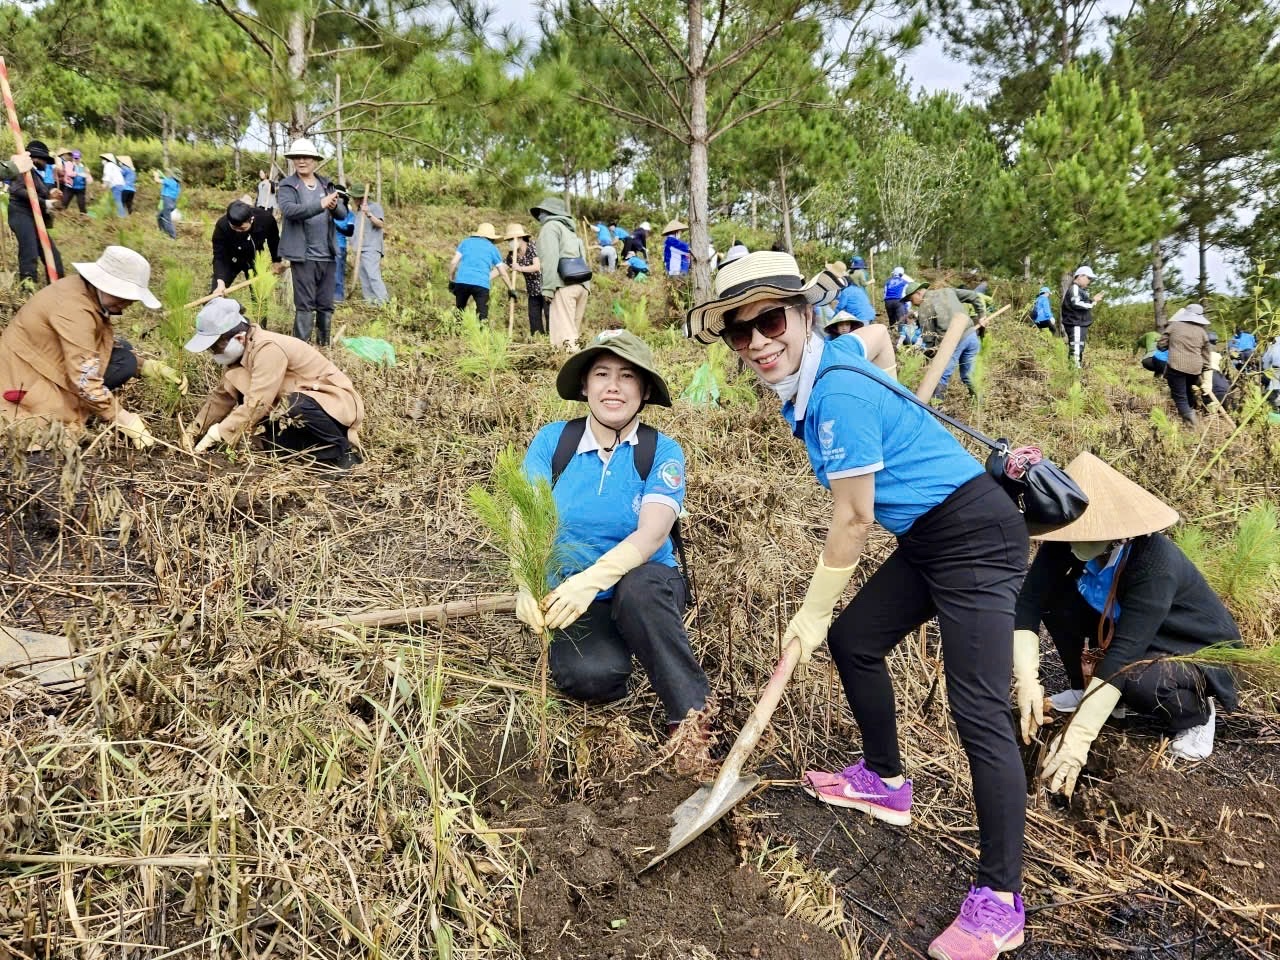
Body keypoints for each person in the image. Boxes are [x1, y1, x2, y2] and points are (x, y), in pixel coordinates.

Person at [686, 251, 1030, 960]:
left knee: (978, 711)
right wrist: (891, 384)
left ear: (803, 316)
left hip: (973, 531)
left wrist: (810, 609)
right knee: (856, 641)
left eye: (770, 321)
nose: (757, 342)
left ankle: (1000, 900)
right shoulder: (836, 356)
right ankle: (885, 781)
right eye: (738, 333)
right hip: (933, 532)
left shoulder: (836, 395)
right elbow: (874, 338)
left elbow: (853, 518)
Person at [516, 330, 711, 765]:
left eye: (627, 376)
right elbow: (523, 520)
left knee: (638, 592)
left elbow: (653, 533)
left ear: (643, 390)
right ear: (584, 386)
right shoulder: (554, 442)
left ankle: (691, 721)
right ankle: (622, 640)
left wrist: (592, 581)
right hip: (571, 597)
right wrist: (523, 582)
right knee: (591, 678)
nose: (613, 386)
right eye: (601, 374)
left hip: (644, 581)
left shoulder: (661, 451)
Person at [1014, 453, 1239, 778]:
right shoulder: (1068, 540)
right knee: (1057, 601)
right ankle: (1086, 690)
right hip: (1127, 628)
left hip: (1189, 646)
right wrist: (1027, 681)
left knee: (1136, 679)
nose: (1072, 540)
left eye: (1085, 533)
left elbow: (1124, 654)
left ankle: (1196, 715)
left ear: (1116, 531)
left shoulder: (1155, 564)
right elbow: (1029, 602)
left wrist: (1079, 736)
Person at [0, 246, 184, 448]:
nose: (128, 303)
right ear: (102, 283)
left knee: (125, 351)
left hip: (42, 362)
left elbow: (99, 344)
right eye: (121, 294)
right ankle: (72, 406)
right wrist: (121, 417)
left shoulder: (84, 292)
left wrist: (147, 366)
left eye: (131, 297)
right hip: (24, 381)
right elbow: (84, 377)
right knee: (124, 363)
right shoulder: (73, 309)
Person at [184, 297, 364, 468]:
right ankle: (321, 458)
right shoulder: (238, 358)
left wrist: (220, 432)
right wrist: (194, 430)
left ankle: (344, 453)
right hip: (299, 410)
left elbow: (259, 402)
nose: (213, 353)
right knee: (270, 443)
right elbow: (222, 398)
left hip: (334, 406)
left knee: (294, 404)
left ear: (239, 338)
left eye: (215, 347)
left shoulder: (268, 348)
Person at [277, 138, 348, 345]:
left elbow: (342, 214)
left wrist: (333, 205)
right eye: (297, 157)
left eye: (306, 157)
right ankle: (301, 349)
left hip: (327, 254)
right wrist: (321, 203)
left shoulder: (326, 184)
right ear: (292, 160)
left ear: (314, 160)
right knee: (305, 304)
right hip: (303, 255)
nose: (301, 161)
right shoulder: (288, 185)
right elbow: (290, 210)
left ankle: (324, 347)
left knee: (326, 303)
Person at [903, 280, 987, 400]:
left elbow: (929, 337)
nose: (912, 304)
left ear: (918, 293)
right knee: (968, 375)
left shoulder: (924, 307)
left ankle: (936, 410)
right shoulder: (947, 291)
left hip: (953, 341)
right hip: (971, 336)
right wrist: (982, 315)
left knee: (940, 375)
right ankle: (980, 403)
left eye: (911, 300)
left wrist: (931, 355)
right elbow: (974, 296)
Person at [532, 197, 591, 350]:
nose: (539, 216)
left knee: (564, 340)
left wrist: (548, 288)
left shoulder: (550, 227)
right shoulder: (571, 232)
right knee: (573, 335)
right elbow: (583, 259)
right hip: (582, 286)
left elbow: (549, 259)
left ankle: (569, 371)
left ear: (548, 212)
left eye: (541, 212)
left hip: (564, 285)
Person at [7, 140, 64, 287]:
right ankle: (28, 289)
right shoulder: (23, 169)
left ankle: (59, 287)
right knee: (29, 252)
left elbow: (41, 192)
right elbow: (17, 190)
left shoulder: (36, 174)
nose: (46, 164)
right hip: (20, 214)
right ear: (36, 158)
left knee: (53, 255)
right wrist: (46, 203)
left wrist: (52, 194)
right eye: (44, 160)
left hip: (35, 216)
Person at [210, 199, 284, 299]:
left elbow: (274, 240)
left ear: (251, 219)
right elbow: (219, 255)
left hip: (255, 258)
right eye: (234, 228)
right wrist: (220, 280)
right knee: (216, 294)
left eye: (242, 229)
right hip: (229, 259)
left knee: (259, 297)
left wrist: (277, 260)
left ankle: (260, 315)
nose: (238, 231)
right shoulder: (222, 225)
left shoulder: (266, 219)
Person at [1156, 303, 1210, 425]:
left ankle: (1192, 422)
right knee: (1187, 391)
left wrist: (1168, 346)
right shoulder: (1202, 332)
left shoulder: (1174, 326)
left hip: (1177, 366)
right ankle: (1190, 417)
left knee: (1179, 396)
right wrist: (1205, 368)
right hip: (1195, 369)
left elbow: (1161, 345)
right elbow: (1206, 355)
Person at [448, 222, 513, 322]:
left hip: (462, 281)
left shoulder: (466, 242)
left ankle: (456, 334)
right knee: (482, 315)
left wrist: (452, 279)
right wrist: (510, 289)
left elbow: (453, 262)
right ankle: (481, 334)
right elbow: (503, 272)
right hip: (481, 284)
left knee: (459, 311)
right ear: (491, 238)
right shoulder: (493, 248)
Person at [345, 185, 389, 305]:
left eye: (355, 198)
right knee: (364, 278)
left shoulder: (374, 207)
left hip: (371, 248)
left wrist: (369, 213)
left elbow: (380, 223)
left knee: (373, 275)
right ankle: (371, 303)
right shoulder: (358, 212)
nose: (353, 200)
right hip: (360, 249)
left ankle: (383, 302)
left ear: (361, 198)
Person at [503, 223, 544, 335]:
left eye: (512, 239)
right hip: (532, 292)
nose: (510, 242)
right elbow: (501, 269)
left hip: (545, 289)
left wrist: (520, 268)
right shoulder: (512, 255)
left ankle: (554, 344)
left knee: (550, 316)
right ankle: (538, 341)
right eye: (509, 240)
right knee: (534, 318)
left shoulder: (532, 246)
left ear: (520, 238)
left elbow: (536, 267)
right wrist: (485, 277)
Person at [1061, 266, 1103, 368]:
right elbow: (1076, 303)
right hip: (1076, 324)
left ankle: (1075, 373)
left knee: (1078, 347)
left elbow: (1082, 303)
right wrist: (1093, 302)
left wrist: (1093, 300)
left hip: (1079, 324)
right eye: (1088, 278)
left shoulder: (1079, 290)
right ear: (1080, 276)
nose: (1089, 281)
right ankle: (1074, 374)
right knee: (1076, 348)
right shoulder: (1074, 288)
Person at [831, 261, 876, 325]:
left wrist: (832, 320)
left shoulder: (846, 291)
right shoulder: (857, 289)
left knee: (859, 334)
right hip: (871, 315)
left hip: (861, 318)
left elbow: (840, 307)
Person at [333, 201, 356, 302]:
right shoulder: (329, 211)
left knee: (338, 272)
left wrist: (337, 227)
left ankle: (338, 297)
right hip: (325, 246)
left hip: (339, 246)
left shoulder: (349, 215)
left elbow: (350, 232)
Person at [154, 168, 182, 239]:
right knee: (159, 216)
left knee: (167, 220)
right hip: (172, 203)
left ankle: (173, 236)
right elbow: (166, 181)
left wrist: (156, 175)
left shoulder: (170, 181)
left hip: (167, 202)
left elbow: (157, 180)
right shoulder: (177, 185)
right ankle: (162, 231)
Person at [101, 153, 125, 217]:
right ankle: (119, 216)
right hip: (121, 185)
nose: (102, 161)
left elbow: (107, 176)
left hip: (116, 186)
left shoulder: (108, 165)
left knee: (117, 201)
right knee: (117, 201)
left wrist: (104, 184)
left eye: (104, 159)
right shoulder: (115, 166)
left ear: (107, 160)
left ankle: (121, 217)